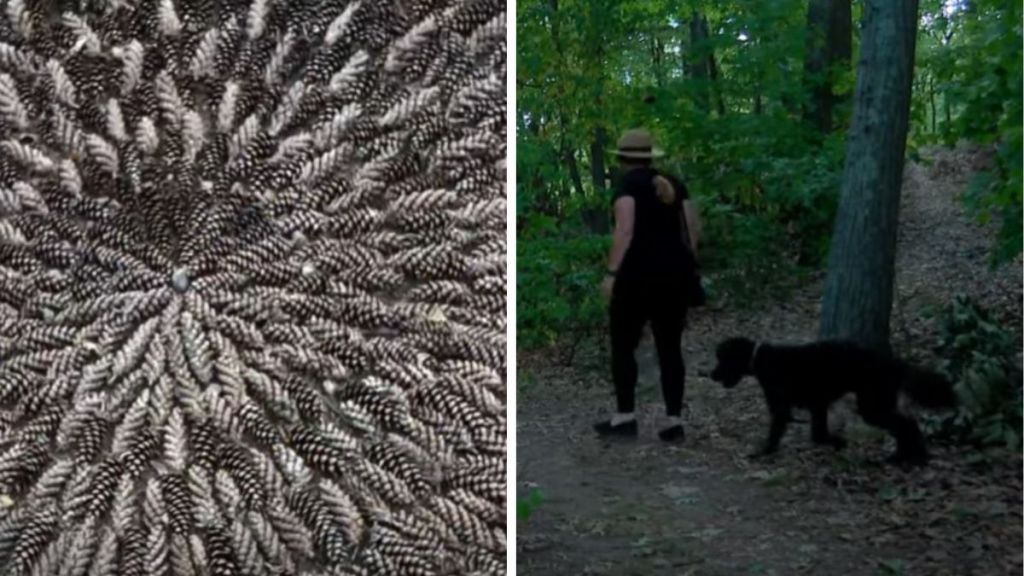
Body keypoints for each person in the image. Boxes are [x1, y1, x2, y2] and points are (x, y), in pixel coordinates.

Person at [595, 128, 701, 442]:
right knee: (670, 348)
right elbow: (693, 229)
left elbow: (624, 231)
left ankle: (625, 417)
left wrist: (611, 274)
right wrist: (686, 263)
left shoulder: (627, 186)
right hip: (674, 277)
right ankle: (673, 422)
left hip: (635, 279)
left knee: (623, 347)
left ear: (623, 159)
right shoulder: (675, 184)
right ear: (649, 156)